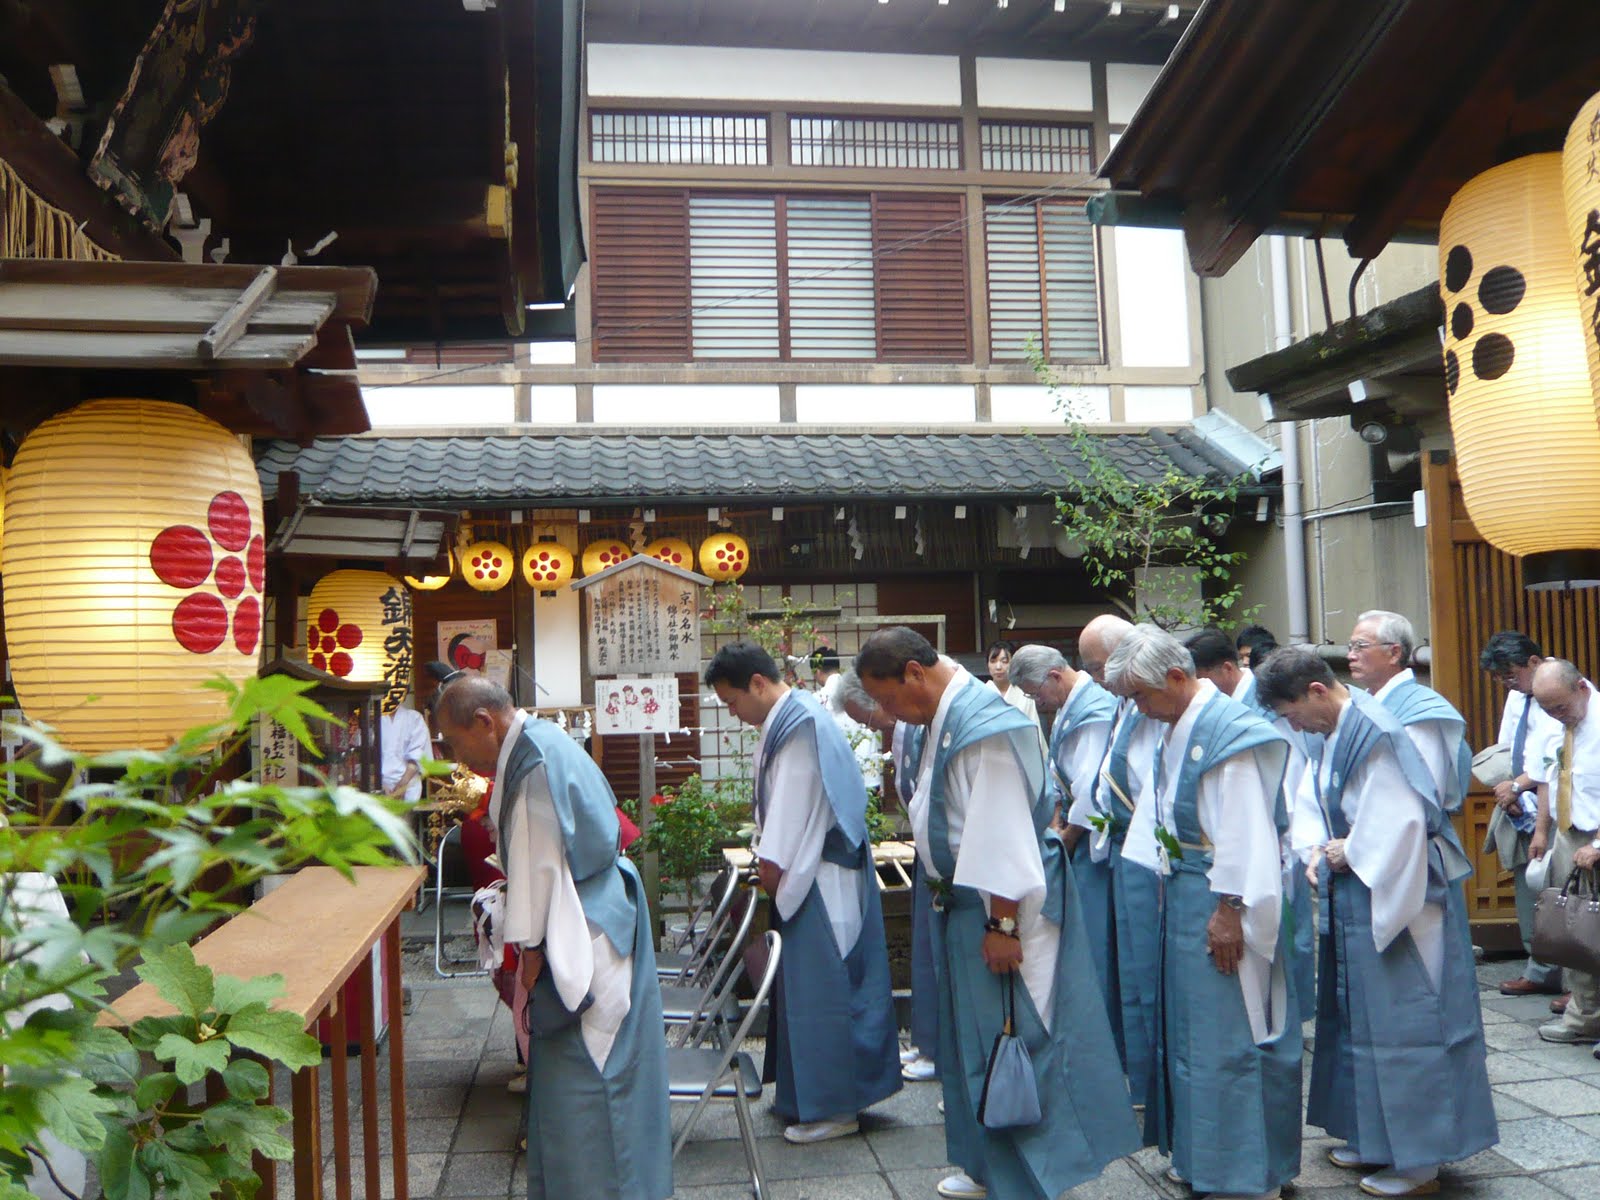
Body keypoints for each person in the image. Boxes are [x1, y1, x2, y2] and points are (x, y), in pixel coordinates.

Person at [857, 627, 1138, 1200]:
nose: (887, 713)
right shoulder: (946, 713)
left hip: (1000, 909)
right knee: (975, 1039)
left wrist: (1002, 926)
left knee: (1013, 1037)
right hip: (966, 903)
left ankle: (1027, 1178)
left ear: (914, 673)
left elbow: (1002, 832)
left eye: (887, 698)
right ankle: (988, 1165)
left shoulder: (983, 726)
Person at [1257, 649, 1497, 1197]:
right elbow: (1316, 799)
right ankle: (1377, 1138)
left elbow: (1402, 821)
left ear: (1317, 691)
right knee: (1360, 1019)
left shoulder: (1376, 732)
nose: (1295, 727)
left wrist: (1348, 850)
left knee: (1407, 1023)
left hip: (1397, 890)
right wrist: (1317, 849)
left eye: (1293, 714)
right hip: (1358, 888)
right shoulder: (1337, 726)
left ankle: (1419, 1161)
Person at [432, 676, 671, 1200]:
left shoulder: (532, 764)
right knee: (596, 1080)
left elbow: (538, 868)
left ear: (484, 722)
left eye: (453, 741)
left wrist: (530, 953)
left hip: (582, 929)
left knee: (589, 1087)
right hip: (596, 911)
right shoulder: (540, 742)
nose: (454, 755)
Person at [1106, 625, 1300, 1200]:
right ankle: (1203, 1158)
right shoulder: (1176, 723)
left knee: (1229, 1033)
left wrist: (1229, 910)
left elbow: (1244, 830)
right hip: (1187, 891)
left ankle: (1246, 1176)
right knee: (1190, 1035)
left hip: (1222, 896)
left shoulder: (1227, 733)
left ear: (1174, 677)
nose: (1137, 708)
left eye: (1140, 695)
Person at [705, 642, 901, 1143]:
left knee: (823, 992)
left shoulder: (798, 727)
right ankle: (808, 1098)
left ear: (757, 683)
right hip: (815, 871)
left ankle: (834, 1108)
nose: (732, 712)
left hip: (817, 875)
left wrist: (769, 874)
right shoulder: (797, 717)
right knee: (811, 991)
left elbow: (789, 816)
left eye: (732, 701)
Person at [1186, 627, 1317, 1024]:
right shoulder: (1226, 706)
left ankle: (1291, 1015)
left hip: (1283, 828)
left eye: (1202, 678)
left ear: (1227, 669)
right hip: (1260, 827)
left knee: (1286, 929)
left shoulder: (1263, 704)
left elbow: (1293, 770)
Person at [835, 670, 938, 1084]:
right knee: (923, 950)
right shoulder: (902, 728)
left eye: (867, 718)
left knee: (936, 954)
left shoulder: (919, 721)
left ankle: (936, 1049)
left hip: (939, 851)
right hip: (923, 846)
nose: (871, 728)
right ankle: (924, 1041)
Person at [1007, 644, 1120, 1024]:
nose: (1037, 703)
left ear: (1055, 676)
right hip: (1070, 829)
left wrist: (1066, 836)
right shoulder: (1069, 706)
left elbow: (1090, 786)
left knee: (1094, 935)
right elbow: (1057, 774)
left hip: (1089, 836)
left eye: (1036, 693)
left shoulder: (1094, 709)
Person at [1079, 612, 1162, 1112]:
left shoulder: (1149, 704)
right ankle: (1139, 1075)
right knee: (1130, 971)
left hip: (1149, 850)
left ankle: (1154, 1081)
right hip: (1124, 845)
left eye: (1095, 666)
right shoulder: (1124, 703)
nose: (1093, 678)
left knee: (1148, 970)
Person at [1479, 631, 1563, 999]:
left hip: (1557, 801)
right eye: (1500, 678)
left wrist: (1519, 784)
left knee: (1562, 891)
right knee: (1527, 885)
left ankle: (1575, 978)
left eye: (1511, 675)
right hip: (1520, 801)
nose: (1507, 683)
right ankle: (1539, 967)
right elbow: (1508, 743)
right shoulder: (1518, 695)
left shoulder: (1562, 687)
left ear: (1533, 661)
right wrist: (1507, 787)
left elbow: (1558, 754)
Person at [1528, 660, 1600, 1046]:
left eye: (1560, 707)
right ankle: (1584, 1017)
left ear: (1581, 688)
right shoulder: (1554, 724)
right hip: (1568, 833)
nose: (1556, 715)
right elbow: (1549, 778)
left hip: (1595, 835)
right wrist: (1543, 830)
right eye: (1547, 709)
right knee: (1576, 932)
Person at [1346, 611, 1473, 817]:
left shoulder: (1421, 710)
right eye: (1350, 647)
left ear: (1394, 653)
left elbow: (1424, 796)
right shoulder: (1357, 706)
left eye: (1360, 646)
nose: (1351, 655)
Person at [380, 694, 432, 801]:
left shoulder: (414, 718)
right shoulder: (375, 718)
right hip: (380, 785)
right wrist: (381, 785)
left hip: (409, 785)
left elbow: (417, 754)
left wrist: (403, 785)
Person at [983, 640, 1039, 727]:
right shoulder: (981, 694)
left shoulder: (1024, 695)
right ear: (987, 664)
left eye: (1004, 661)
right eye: (993, 661)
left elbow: (1033, 728)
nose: (998, 667)